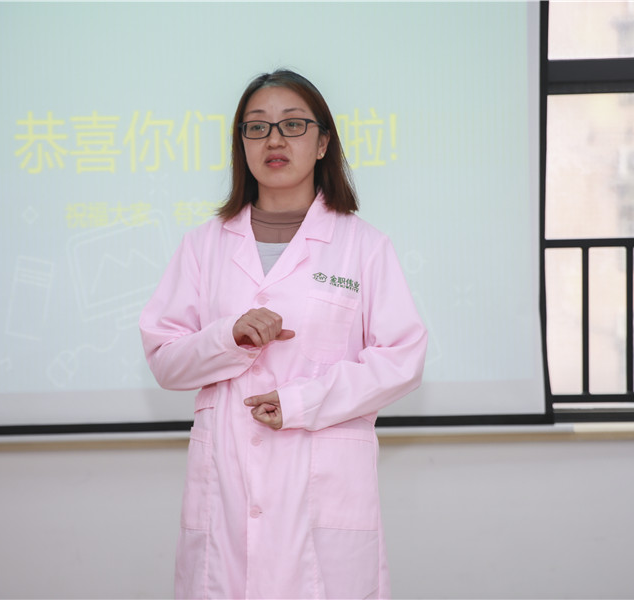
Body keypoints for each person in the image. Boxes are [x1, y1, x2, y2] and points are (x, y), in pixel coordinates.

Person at [139, 69, 427, 599]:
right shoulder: (203, 246)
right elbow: (165, 358)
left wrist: (301, 402)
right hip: (226, 494)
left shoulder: (363, 246)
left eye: (293, 125)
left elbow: (402, 359)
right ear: (242, 144)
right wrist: (228, 338)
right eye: (257, 127)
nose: (274, 140)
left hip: (322, 486)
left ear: (322, 143)